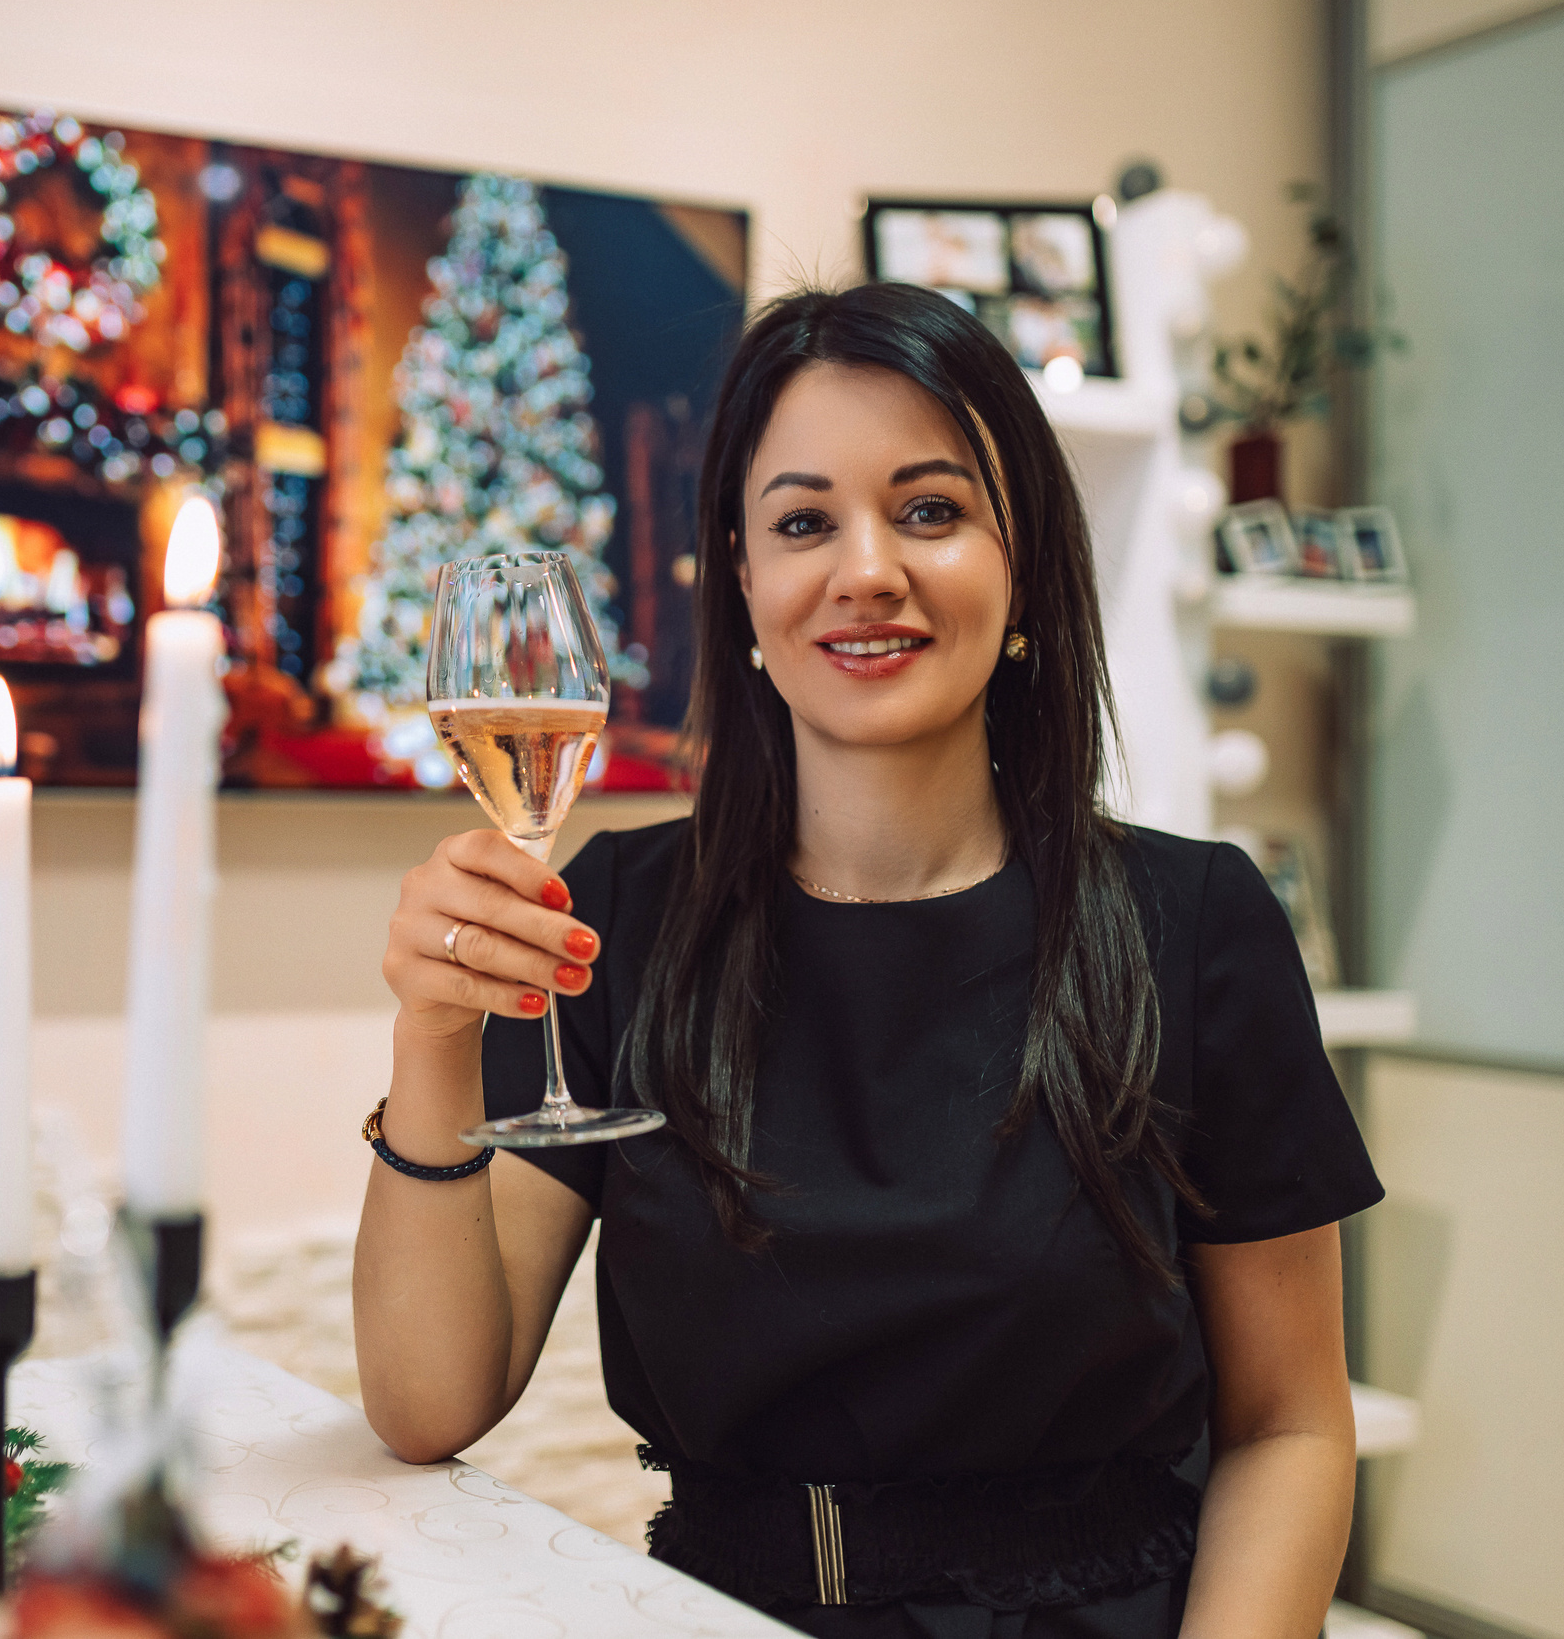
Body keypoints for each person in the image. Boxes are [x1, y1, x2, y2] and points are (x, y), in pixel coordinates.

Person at [352, 281, 1383, 1638]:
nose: (866, 570)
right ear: (743, 578)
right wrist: (431, 1035)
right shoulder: (618, 915)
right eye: (802, 522)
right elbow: (431, 1405)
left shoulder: (1191, 926)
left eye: (931, 510)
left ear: (1021, 560)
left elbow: (1290, 1430)